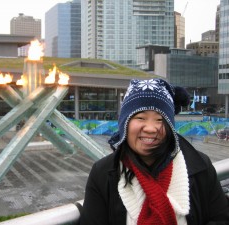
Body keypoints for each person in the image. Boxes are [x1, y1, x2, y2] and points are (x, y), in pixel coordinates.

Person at [80, 78, 229, 225]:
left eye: (159, 119)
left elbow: (221, 218)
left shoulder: (200, 166)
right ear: (125, 123)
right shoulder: (103, 173)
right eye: (140, 117)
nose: (150, 128)